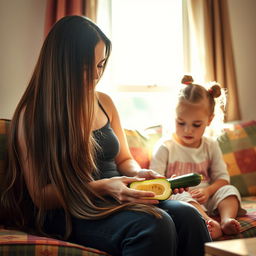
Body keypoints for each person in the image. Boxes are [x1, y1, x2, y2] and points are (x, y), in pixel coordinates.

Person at [1, 16, 211, 256]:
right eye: (84, 66)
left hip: (114, 198)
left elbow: (124, 160)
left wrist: (137, 173)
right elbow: (41, 196)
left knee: (190, 217)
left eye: (100, 65)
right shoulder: (32, 115)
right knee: (154, 225)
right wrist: (103, 187)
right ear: (60, 64)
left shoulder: (105, 102)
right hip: (69, 210)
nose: (94, 75)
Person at [150, 75, 246, 240]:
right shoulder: (165, 146)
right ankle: (208, 223)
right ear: (173, 117)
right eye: (181, 123)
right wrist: (170, 184)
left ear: (209, 120)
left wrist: (208, 191)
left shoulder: (210, 145)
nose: (188, 130)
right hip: (183, 199)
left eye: (196, 125)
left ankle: (226, 220)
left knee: (230, 190)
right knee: (181, 197)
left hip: (208, 196)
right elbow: (154, 182)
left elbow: (223, 178)